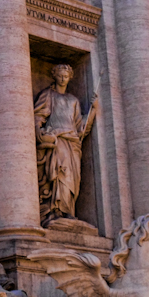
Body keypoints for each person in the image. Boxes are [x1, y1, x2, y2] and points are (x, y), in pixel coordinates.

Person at [34, 63, 97, 223]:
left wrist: (93, 110)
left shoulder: (73, 100)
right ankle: (54, 209)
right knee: (60, 173)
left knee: (72, 178)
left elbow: (80, 127)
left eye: (66, 76)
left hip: (73, 142)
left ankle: (68, 210)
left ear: (70, 78)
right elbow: (38, 116)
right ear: (54, 75)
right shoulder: (48, 95)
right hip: (58, 139)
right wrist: (40, 132)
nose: (63, 78)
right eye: (60, 75)